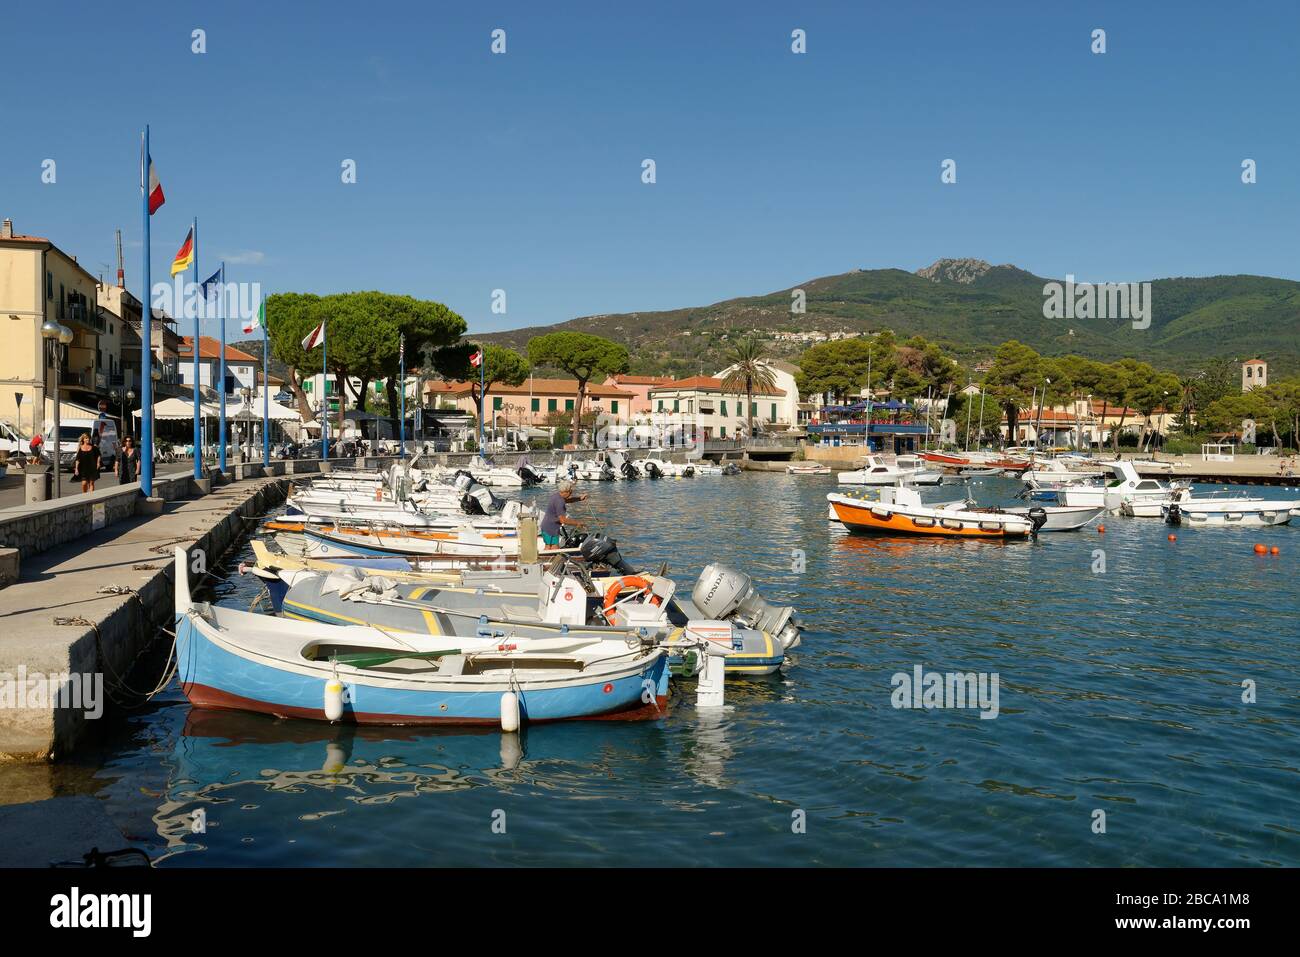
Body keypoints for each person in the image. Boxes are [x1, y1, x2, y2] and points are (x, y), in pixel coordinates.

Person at [540, 479, 588, 546]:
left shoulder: (556, 496)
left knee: (548, 547)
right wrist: (578, 523)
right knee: (554, 548)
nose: (571, 493)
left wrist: (580, 498)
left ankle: (544, 556)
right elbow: (563, 520)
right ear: (565, 491)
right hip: (551, 528)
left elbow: (568, 500)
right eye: (570, 491)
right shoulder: (560, 502)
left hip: (546, 526)